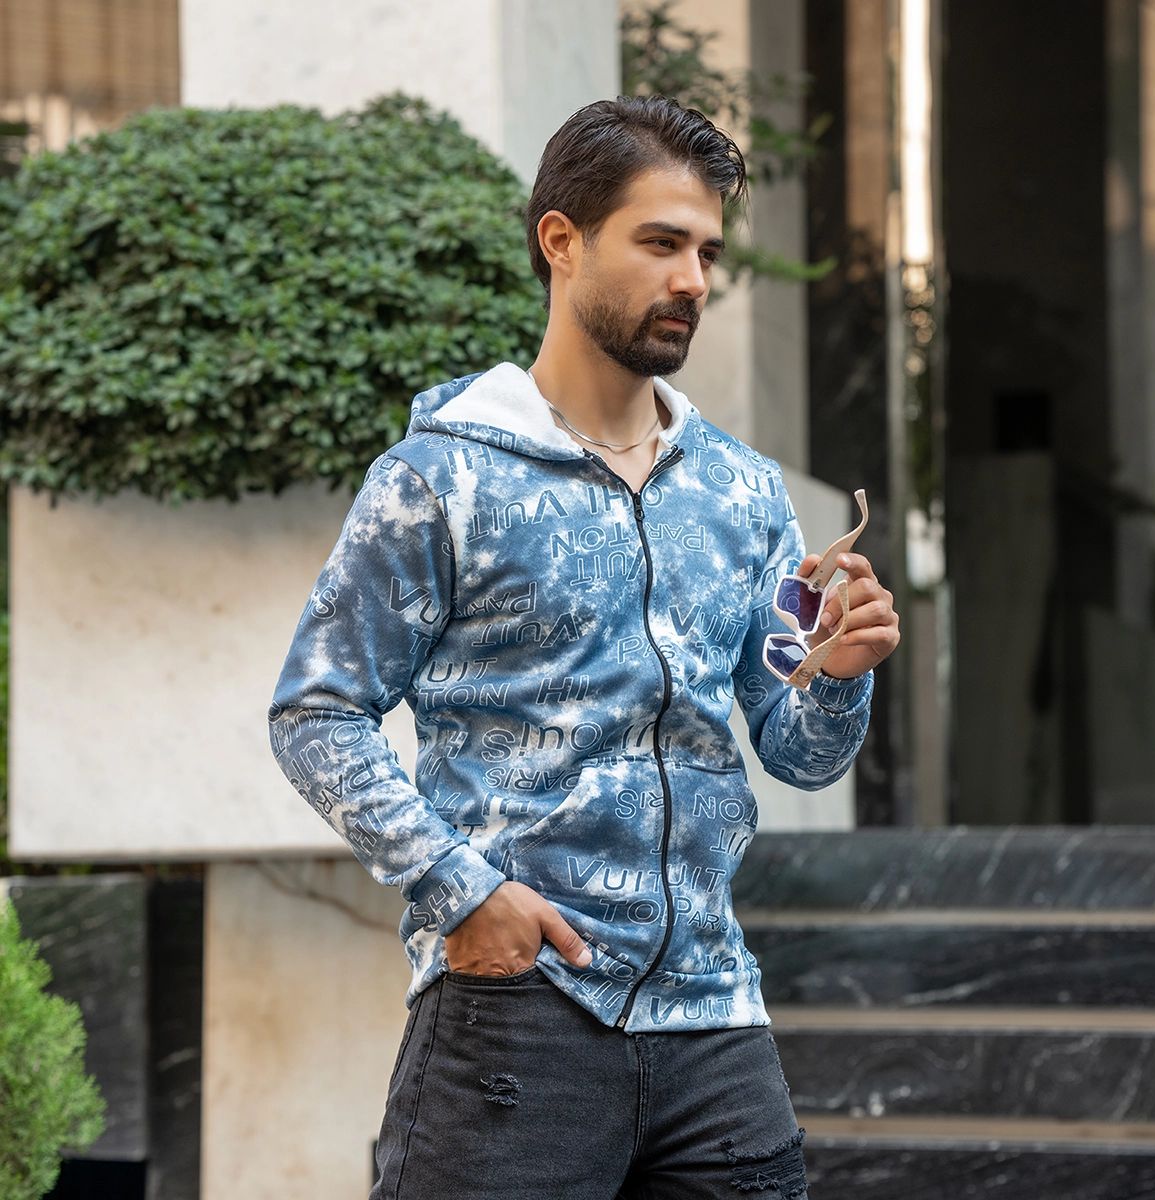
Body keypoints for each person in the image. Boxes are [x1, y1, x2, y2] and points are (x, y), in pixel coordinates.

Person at [269, 95, 899, 1200]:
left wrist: (839, 680)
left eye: (707, 252)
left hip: (715, 1023)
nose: (693, 279)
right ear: (562, 241)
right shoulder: (442, 477)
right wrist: (461, 890)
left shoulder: (743, 494)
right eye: (660, 243)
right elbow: (316, 711)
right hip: (520, 1010)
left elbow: (797, 753)